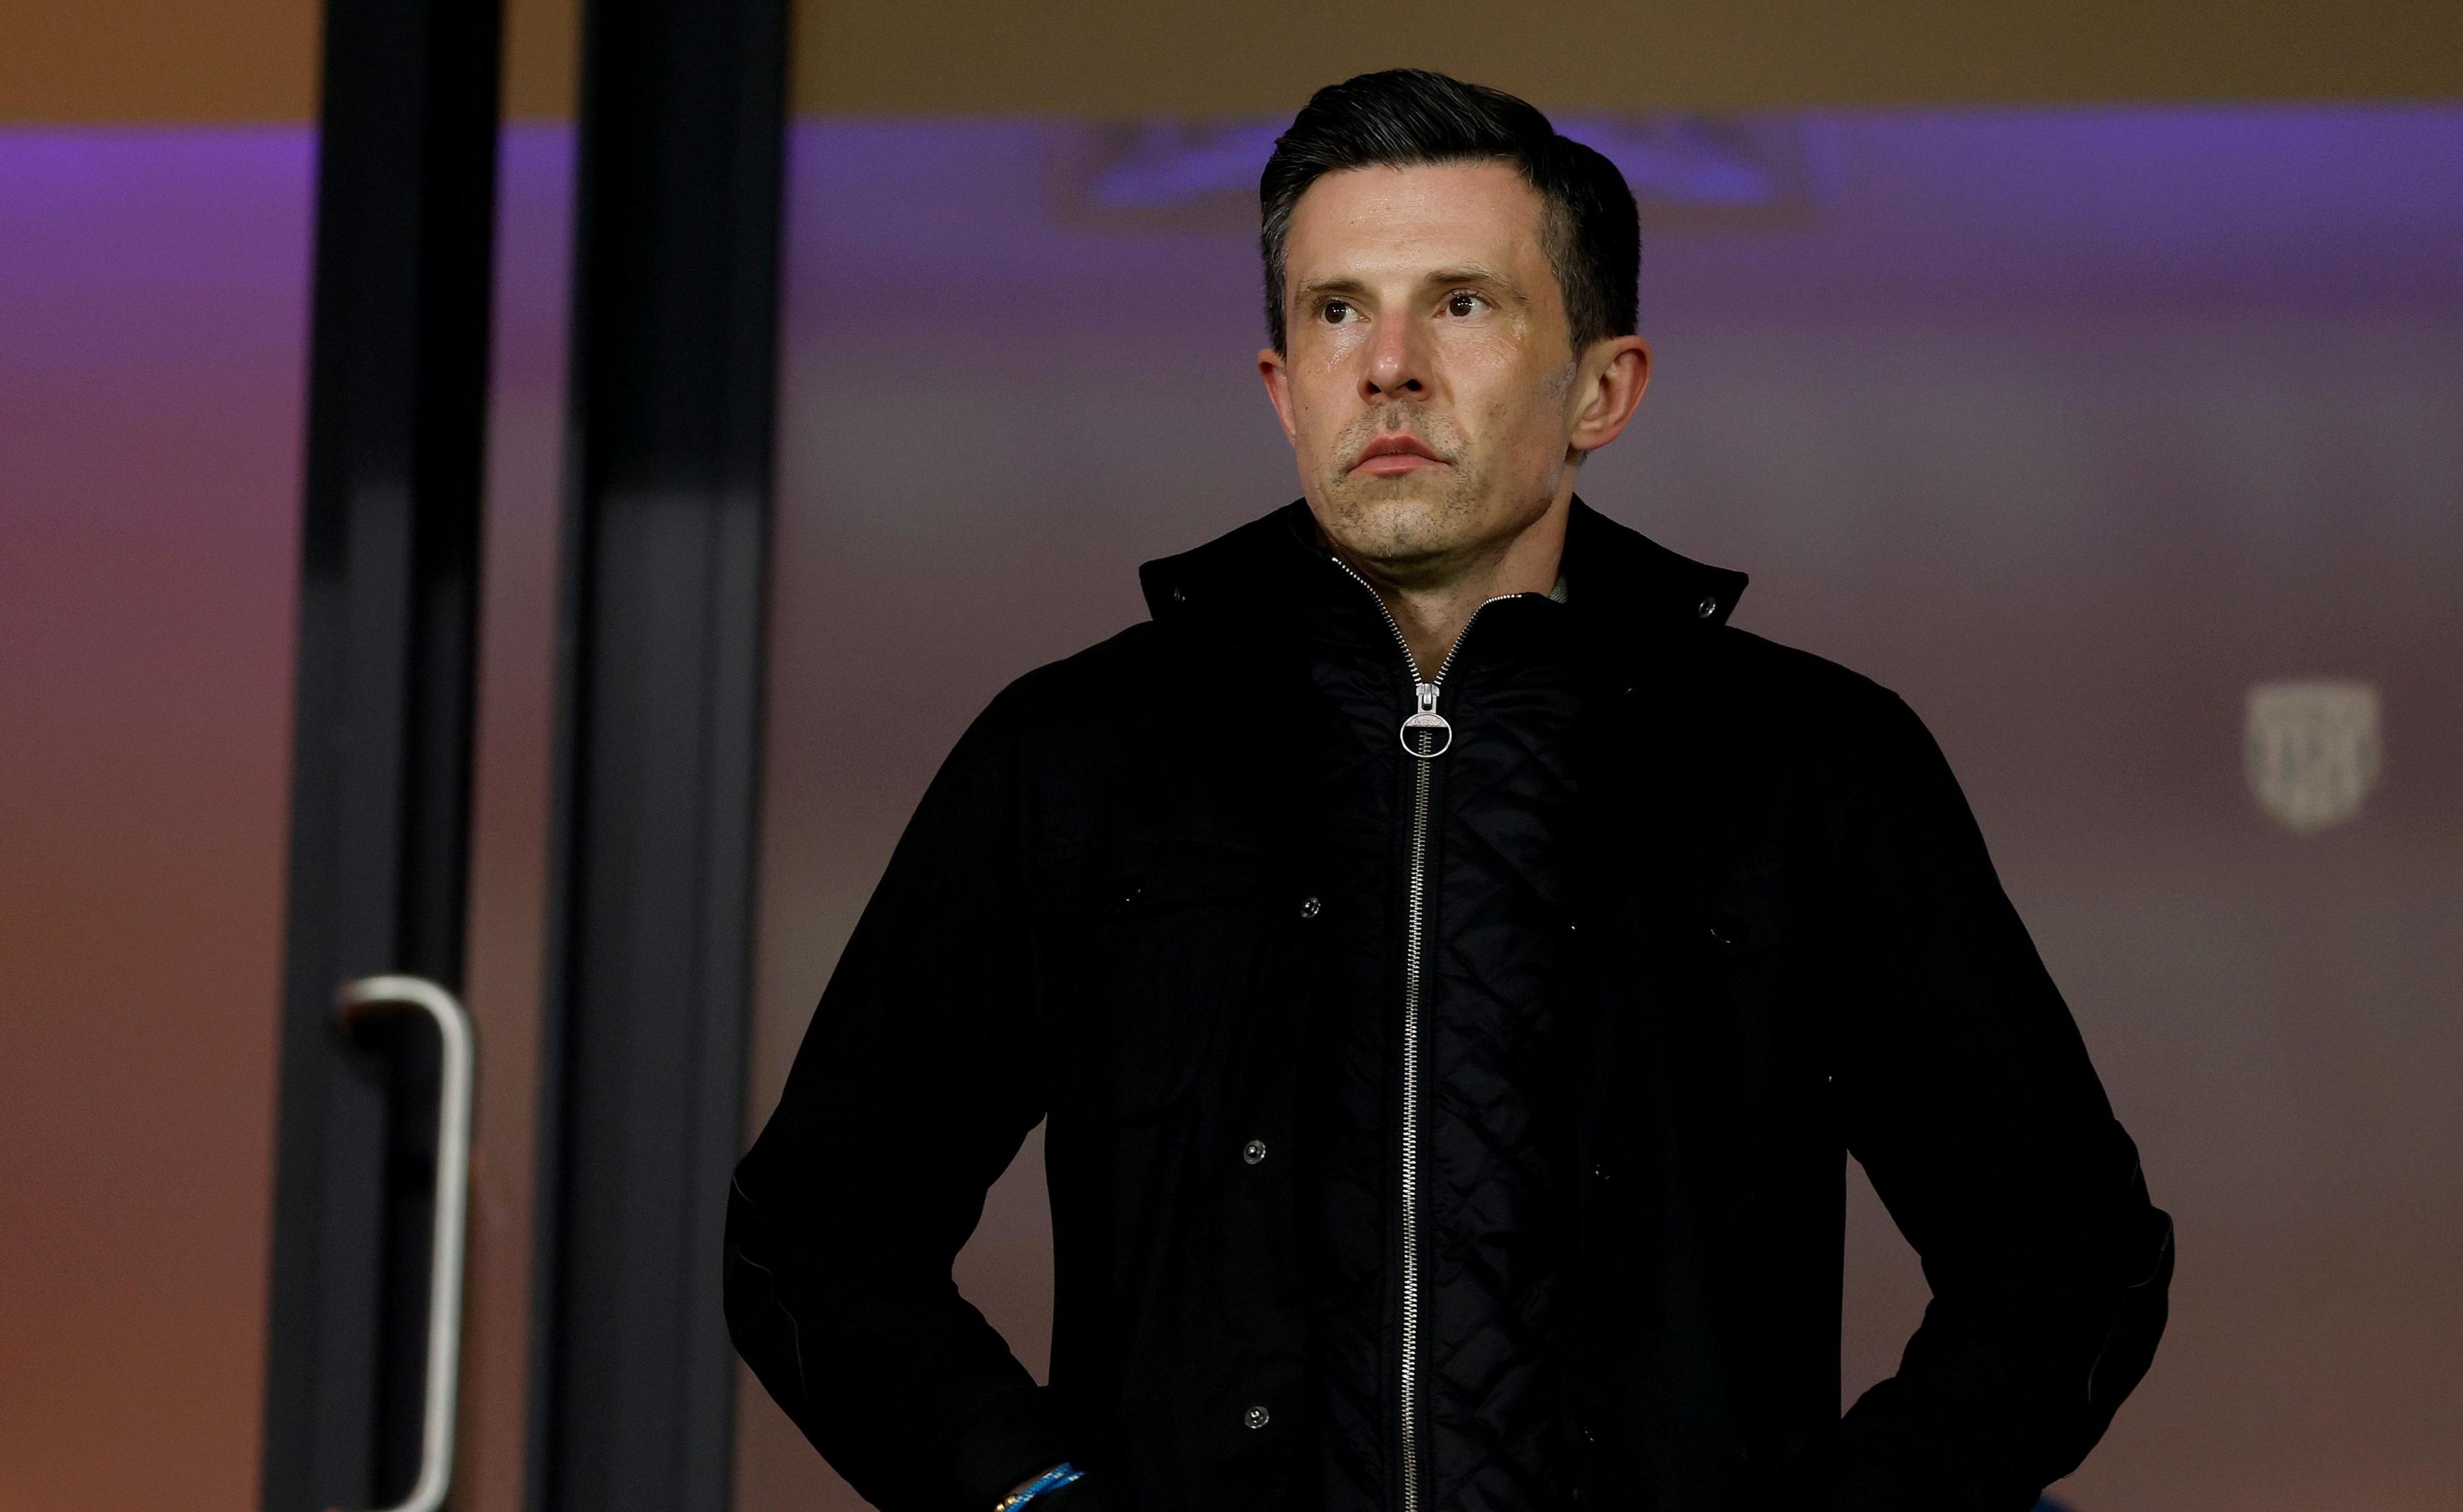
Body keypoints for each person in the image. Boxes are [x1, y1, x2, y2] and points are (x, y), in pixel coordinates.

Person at [725, 67, 2172, 1512]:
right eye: (1338, 308)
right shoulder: (1077, 756)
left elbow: (2065, 1244)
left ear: (1603, 386)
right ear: (1283, 391)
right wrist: (1029, 1496)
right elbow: (820, 1228)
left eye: (1463, 304)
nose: (1390, 364)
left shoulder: (1809, 762)